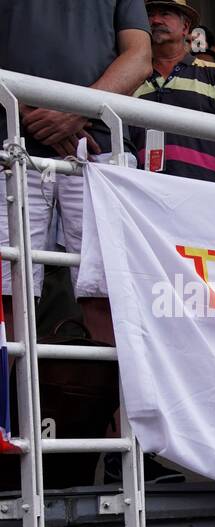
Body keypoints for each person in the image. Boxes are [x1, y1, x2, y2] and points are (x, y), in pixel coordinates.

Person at [0, 0, 151, 342]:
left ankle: (111, 397)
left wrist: (73, 109)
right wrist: (36, 108)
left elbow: (140, 58)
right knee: (5, 290)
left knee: (108, 290)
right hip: (8, 141)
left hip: (98, 146)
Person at [132, 1, 215, 184]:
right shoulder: (130, 76)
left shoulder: (214, 73)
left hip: (204, 189)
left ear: (185, 27)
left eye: (165, 14)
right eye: (150, 15)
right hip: (142, 190)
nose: (156, 20)